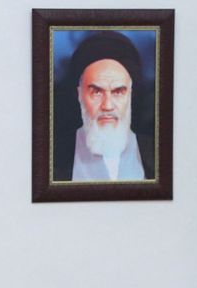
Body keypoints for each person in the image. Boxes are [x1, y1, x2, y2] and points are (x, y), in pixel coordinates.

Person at [57, 31, 153, 182]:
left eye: (118, 92)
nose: (107, 105)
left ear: (130, 95)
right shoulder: (54, 156)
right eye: (96, 92)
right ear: (79, 95)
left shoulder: (157, 153)